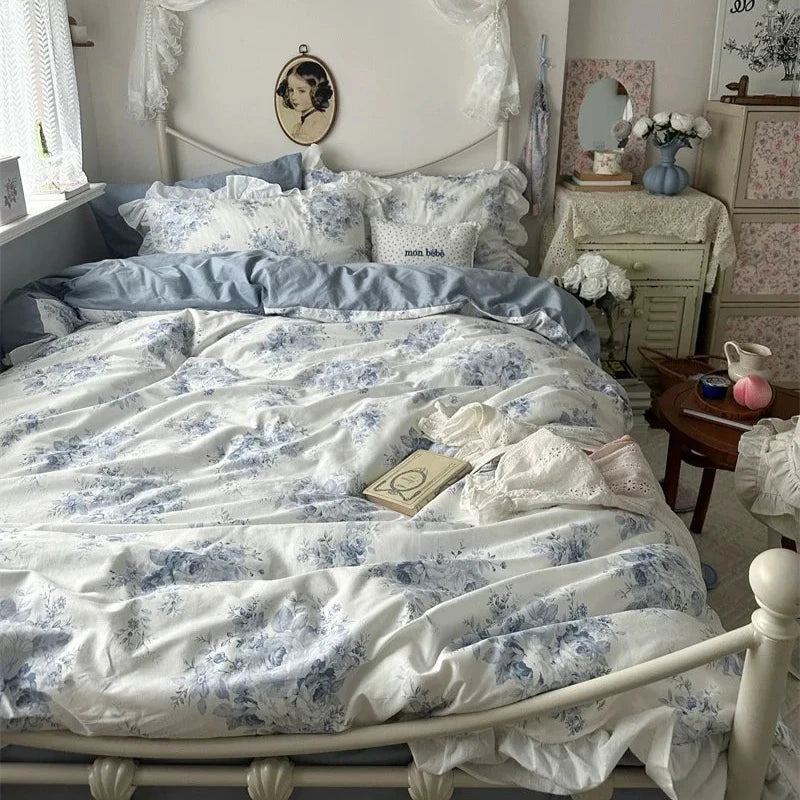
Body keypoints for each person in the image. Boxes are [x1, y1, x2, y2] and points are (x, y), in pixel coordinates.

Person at [276, 60, 333, 143]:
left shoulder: (318, 124)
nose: (293, 97)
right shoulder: (300, 125)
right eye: (291, 90)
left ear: (316, 91)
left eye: (301, 91)